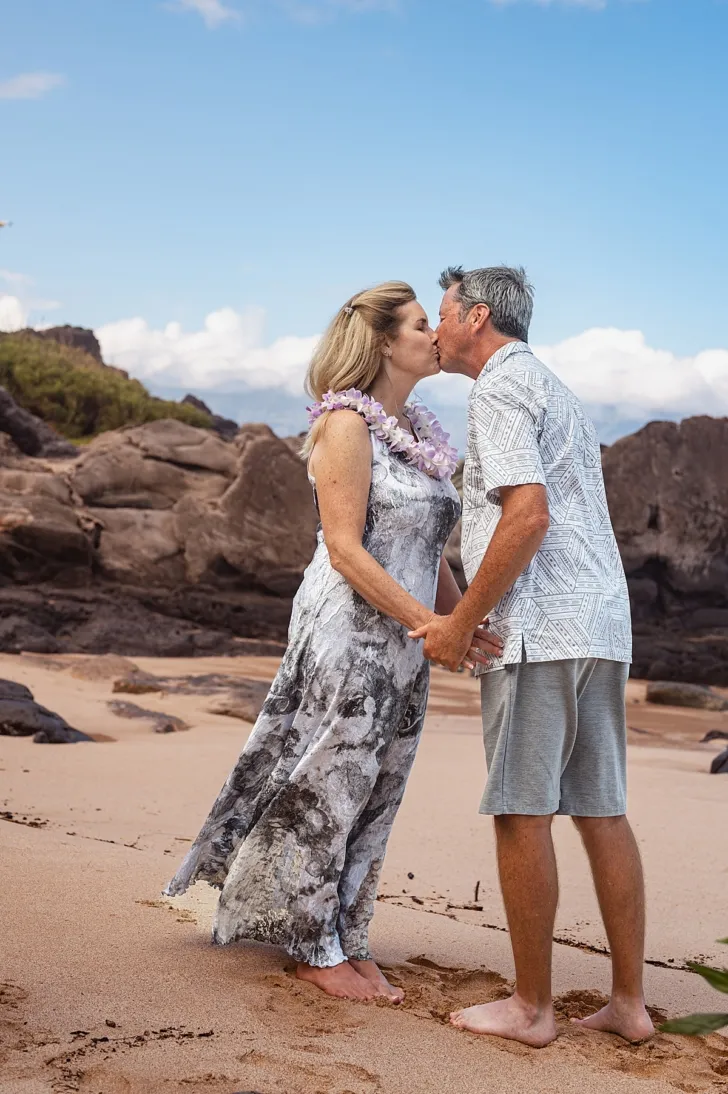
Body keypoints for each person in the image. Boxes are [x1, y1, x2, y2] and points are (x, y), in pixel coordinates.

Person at [165, 280, 503, 1003]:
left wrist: (459, 623)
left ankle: (348, 933)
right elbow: (347, 550)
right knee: (331, 780)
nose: (434, 334)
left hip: (407, 637)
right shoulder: (345, 424)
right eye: (420, 324)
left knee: (380, 787)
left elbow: (429, 546)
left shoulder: (418, 429)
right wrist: (430, 624)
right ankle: (312, 946)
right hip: (349, 633)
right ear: (385, 341)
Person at [410, 265, 653, 1046]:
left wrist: (459, 623)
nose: (437, 331)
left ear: (476, 316)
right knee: (601, 810)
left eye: (442, 315)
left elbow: (528, 516)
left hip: (539, 630)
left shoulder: (498, 388)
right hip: (600, 624)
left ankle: (532, 1008)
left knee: (521, 812)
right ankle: (629, 1005)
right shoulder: (555, 387)